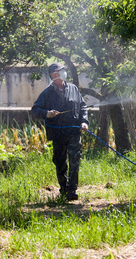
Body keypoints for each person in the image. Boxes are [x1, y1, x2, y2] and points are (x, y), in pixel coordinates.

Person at [31, 62, 88, 201]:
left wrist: (84, 122)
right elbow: (35, 111)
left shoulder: (73, 89)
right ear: (53, 75)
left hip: (74, 132)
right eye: (60, 70)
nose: (64, 72)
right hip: (58, 134)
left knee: (75, 159)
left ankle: (72, 190)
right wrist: (47, 113)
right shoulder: (46, 93)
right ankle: (64, 188)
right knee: (60, 161)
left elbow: (83, 107)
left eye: (64, 69)